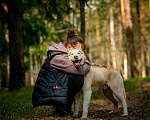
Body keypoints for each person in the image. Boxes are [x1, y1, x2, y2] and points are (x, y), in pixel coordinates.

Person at [32, 29, 90, 116]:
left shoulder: (62, 54)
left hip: (56, 86)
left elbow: (77, 65)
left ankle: (65, 106)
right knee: (78, 79)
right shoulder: (59, 57)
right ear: (70, 47)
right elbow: (79, 70)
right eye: (79, 50)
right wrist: (88, 64)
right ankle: (61, 106)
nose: (79, 54)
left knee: (74, 78)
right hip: (49, 89)